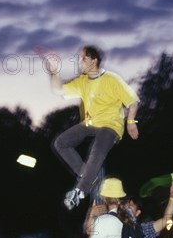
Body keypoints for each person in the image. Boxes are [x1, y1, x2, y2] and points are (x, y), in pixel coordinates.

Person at [47, 45, 140, 210]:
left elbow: (133, 101)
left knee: (96, 150)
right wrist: (54, 71)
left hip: (111, 125)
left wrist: (131, 122)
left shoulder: (112, 79)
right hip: (91, 123)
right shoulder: (82, 82)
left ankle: (80, 191)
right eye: (79, 59)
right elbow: (57, 90)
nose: (79, 62)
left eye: (83, 58)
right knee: (61, 143)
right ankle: (86, 175)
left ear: (94, 60)